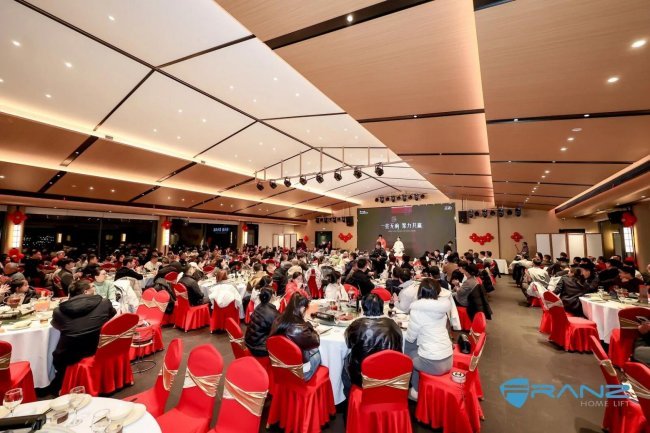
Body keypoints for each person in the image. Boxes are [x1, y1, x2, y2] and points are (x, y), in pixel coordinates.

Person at [50, 280, 116, 392]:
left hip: (71, 353)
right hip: (100, 345)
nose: (94, 288)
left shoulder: (59, 311)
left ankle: (61, 384)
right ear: (86, 291)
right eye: (92, 287)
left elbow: (58, 326)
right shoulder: (104, 303)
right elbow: (111, 316)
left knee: (57, 353)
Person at [342, 293, 403, 396]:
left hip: (363, 378)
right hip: (391, 375)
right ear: (381, 306)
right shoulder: (393, 324)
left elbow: (348, 344)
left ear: (363, 307)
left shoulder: (357, 325)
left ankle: (348, 396)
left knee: (344, 360)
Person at [405, 278, 454, 400]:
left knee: (408, 350)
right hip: (448, 359)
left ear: (420, 292)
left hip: (433, 364)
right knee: (417, 351)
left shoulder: (417, 310)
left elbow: (410, 337)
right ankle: (417, 388)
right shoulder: (442, 309)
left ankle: (415, 390)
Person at [270, 293, 321, 381]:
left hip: (280, 367)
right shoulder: (300, 327)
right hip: (300, 373)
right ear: (303, 309)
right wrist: (308, 325)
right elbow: (316, 341)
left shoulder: (278, 320)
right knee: (318, 352)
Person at [245, 287, 280, 357]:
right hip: (258, 349)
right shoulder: (272, 313)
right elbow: (279, 330)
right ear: (272, 297)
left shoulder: (259, 306)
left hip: (249, 341)